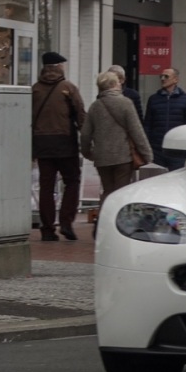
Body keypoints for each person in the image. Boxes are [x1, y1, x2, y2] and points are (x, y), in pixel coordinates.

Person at [80, 71, 153, 227]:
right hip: (123, 156)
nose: (120, 84)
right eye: (118, 82)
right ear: (113, 85)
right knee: (121, 191)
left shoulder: (95, 107)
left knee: (107, 190)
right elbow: (136, 131)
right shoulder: (126, 103)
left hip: (102, 157)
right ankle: (117, 225)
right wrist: (147, 154)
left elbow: (85, 134)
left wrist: (88, 153)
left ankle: (102, 222)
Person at [32, 50, 86, 241]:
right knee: (72, 181)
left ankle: (47, 229)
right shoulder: (68, 88)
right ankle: (66, 222)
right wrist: (86, 139)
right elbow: (80, 114)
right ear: (58, 67)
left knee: (46, 186)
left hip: (42, 145)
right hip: (65, 143)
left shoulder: (35, 90)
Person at [145, 65, 186, 169]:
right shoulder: (153, 99)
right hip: (157, 148)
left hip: (177, 149)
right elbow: (148, 124)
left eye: (166, 76)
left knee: (175, 178)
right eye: (161, 76)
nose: (163, 79)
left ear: (176, 79)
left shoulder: (185, 100)